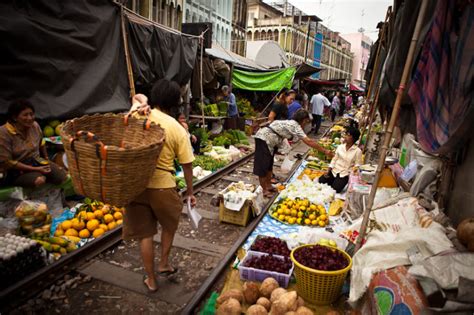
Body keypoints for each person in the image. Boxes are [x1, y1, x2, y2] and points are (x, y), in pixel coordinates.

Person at [124, 79, 196, 293]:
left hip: (136, 185)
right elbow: (187, 164)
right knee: (169, 226)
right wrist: (190, 191)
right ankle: (164, 263)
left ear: (154, 97)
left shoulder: (138, 114)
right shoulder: (176, 127)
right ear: (175, 102)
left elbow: (135, 97)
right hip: (164, 186)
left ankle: (151, 279)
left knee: (145, 234)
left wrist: (142, 101)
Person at [254, 109, 333, 197]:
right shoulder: (295, 126)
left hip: (270, 141)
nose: (306, 124)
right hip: (263, 139)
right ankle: (264, 189)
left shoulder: (291, 123)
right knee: (263, 165)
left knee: (269, 164)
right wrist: (325, 151)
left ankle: (268, 185)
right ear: (303, 120)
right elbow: (308, 141)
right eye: (306, 121)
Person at [0, 100, 67, 188]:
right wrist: (36, 169)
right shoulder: (4, 132)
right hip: (16, 170)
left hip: (36, 161)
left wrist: (47, 160)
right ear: (15, 117)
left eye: (31, 114)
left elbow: (41, 142)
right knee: (39, 180)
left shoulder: (35, 125)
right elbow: (8, 163)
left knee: (62, 176)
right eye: (25, 115)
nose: (30, 118)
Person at [319, 127, 363, 193]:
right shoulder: (340, 147)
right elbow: (334, 159)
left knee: (335, 189)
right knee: (320, 181)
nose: (346, 137)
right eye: (346, 134)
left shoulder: (357, 151)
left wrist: (354, 170)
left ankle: (336, 182)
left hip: (344, 174)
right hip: (334, 170)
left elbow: (358, 164)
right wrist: (328, 170)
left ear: (353, 138)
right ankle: (332, 181)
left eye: (348, 135)